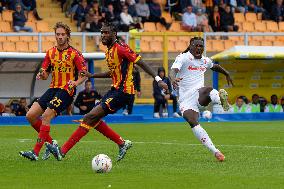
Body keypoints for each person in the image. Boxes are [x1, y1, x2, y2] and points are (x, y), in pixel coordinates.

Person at [46, 21, 169, 162]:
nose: (103, 35)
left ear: (114, 34)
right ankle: (122, 143)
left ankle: (62, 151)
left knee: (89, 117)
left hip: (124, 92)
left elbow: (141, 62)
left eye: (106, 33)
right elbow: (112, 72)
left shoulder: (121, 48)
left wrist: (158, 79)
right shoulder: (109, 51)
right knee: (93, 118)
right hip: (115, 90)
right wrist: (92, 75)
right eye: (102, 33)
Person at [19, 22, 87, 161]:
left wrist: (75, 82)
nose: (60, 37)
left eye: (63, 34)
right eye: (58, 34)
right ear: (55, 35)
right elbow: (45, 74)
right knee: (30, 115)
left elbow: (84, 74)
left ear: (68, 36)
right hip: (52, 88)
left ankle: (35, 152)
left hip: (66, 91)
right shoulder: (50, 52)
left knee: (46, 116)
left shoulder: (75, 54)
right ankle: (51, 143)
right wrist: (41, 75)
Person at [169, 37, 234, 162]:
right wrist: (172, 79)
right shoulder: (183, 57)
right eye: (196, 45)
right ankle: (216, 151)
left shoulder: (205, 60)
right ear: (191, 46)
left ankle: (221, 100)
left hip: (199, 94)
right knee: (192, 121)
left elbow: (214, 66)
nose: (199, 48)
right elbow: (173, 71)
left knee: (207, 89)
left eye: (201, 46)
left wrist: (226, 73)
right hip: (185, 100)